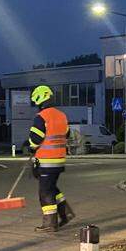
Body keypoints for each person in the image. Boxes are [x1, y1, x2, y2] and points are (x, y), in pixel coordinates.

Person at [27, 85, 75, 232]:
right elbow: (66, 134)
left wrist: (30, 147)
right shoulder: (61, 115)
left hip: (47, 161)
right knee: (51, 187)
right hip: (59, 160)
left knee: (45, 192)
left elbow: (35, 139)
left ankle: (50, 224)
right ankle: (65, 213)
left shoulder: (41, 117)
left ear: (40, 100)